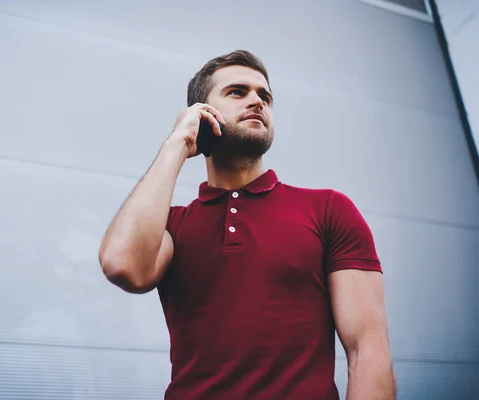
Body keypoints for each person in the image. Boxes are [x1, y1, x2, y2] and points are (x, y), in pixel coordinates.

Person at [98, 50, 396, 399]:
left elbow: (367, 351)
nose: (257, 101)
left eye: (265, 96)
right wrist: (177, 143)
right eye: (237, 92)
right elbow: (123, 266)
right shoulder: (172, 226)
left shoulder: (329, 209)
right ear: (201, 113)